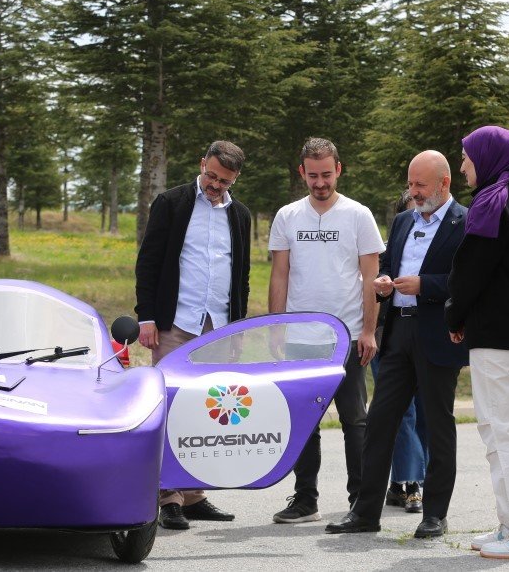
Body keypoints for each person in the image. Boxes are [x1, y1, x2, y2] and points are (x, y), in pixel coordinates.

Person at [325, 150, 468, 540]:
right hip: (398, 333)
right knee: (380, 421)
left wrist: (425, 286)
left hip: (438, 333)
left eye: (421, 185)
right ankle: (366, 512)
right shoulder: (404, 220)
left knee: (438, 425)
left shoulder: (464, 222)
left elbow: (467, 280)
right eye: (411, 184)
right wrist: (384, 283)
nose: (414, 192)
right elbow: (388, 262)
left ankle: (435, 514)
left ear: (444, 183)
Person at [444, 126, 509, 560]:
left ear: (487, 158)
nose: (463, 164)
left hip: (498, 337)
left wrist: (455, 314)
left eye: (467, 156)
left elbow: (471, 271)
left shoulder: (489, 203)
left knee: (500, 431)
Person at [134, 140, 251, 530]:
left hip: (216, 328)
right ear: (202, 164)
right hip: (174, 323)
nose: (215, 185)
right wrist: (146, 317)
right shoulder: (171, 203)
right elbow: (148, 262)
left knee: (205, 412)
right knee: (168, 409)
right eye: (211, 176)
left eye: (224, 181)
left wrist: (237, 327)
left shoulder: (241, 216)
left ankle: (195, 495)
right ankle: (167, 498)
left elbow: (242, 276)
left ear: (235, 179)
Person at [268, 137, 384, 524]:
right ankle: (305, 501)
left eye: (327, 174)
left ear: (339, 170)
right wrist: (275, 328)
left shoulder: (359, 215)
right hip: (301, 338)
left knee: (356, 420)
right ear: (302, 172)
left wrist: (369, 330)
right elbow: (279, 275)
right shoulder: (287, 216)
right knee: (304, 421)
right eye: (313, 175)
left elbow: (371, 278)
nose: (320, 182)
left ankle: (360, 502)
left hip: (348, 336)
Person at [375, 190, 428, 514]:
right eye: (412, 213)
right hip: (390, 338)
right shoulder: (386, 249)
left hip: (427, 336)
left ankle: (399, 484)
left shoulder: (440, 247)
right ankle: (411, 484)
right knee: (402, 412)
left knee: (421, 413)